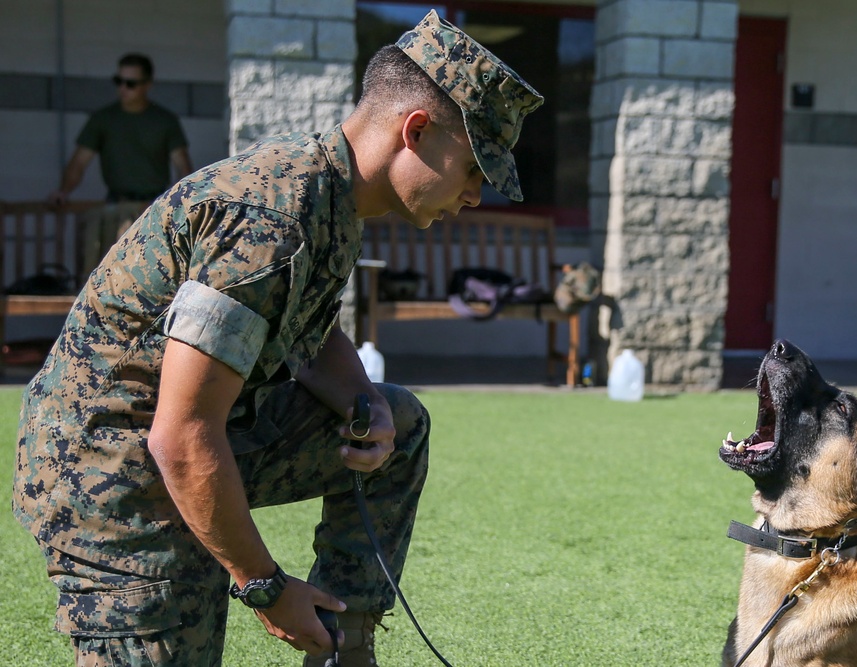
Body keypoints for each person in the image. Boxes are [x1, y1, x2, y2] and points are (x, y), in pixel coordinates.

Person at [13, 10, 542, 667]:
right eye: (473, 170)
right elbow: (179, 435)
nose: (474, 197)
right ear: (416, 131)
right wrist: (266, 586)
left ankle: (344, 647)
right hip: (106, 471)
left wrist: (366, 405)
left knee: (398, 420)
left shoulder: (338, 200)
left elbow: (311, 335)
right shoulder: (270, 219)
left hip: (192, 436)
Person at [49, 53, 194, 271]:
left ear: (147, 85)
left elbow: (182, 167)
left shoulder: (165, 121)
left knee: (150, 272)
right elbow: (79, 162)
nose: (123, 88)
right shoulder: (103, 119)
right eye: (119, 81)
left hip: (153, 208)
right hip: (115, 207)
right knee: (108, 271)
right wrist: (63, 191)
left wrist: (182, 204)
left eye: (131, 83)